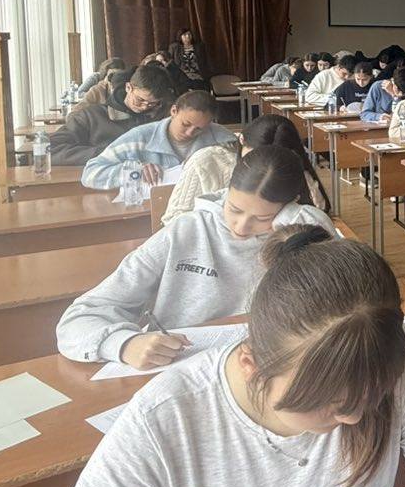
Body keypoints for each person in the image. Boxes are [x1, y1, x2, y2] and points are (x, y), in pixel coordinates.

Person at [54, 226, 405, 487]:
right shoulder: (164, 418)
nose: (356, 416)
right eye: (330, 403)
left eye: (370, 398)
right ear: (252, 364)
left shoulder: (390, 353)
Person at [58, 147, 332, 365]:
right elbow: (78, 318)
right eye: (234, 209)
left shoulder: (296, 238)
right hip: (180, 367)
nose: (241, 227)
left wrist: (302, 220)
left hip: (262, 370)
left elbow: (341, 304)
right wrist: (123, 344)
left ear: (289, 208)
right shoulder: (186, 231)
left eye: (262, 218)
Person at [162, 115, 330, 225]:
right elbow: (172, 218)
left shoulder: (290, 168)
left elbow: (316, 214)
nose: (262, 167)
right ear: (241, 139)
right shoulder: (207, 161)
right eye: (252, 157)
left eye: (277, 160)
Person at [81, 90, 234, 188]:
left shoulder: (221, 138)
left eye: (199, 129)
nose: (189, 133)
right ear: (173, 111)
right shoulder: (139, 137)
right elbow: (90, 174)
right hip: (147, 214)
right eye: (185, 124)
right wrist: (134, 172)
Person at [50, 65, 175, 167]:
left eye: (152, 104)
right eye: (139, 100)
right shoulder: (91, 116)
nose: (144, 107)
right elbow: (52, 149)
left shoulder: (162, 120)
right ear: (128, 87)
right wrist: (111, 154)